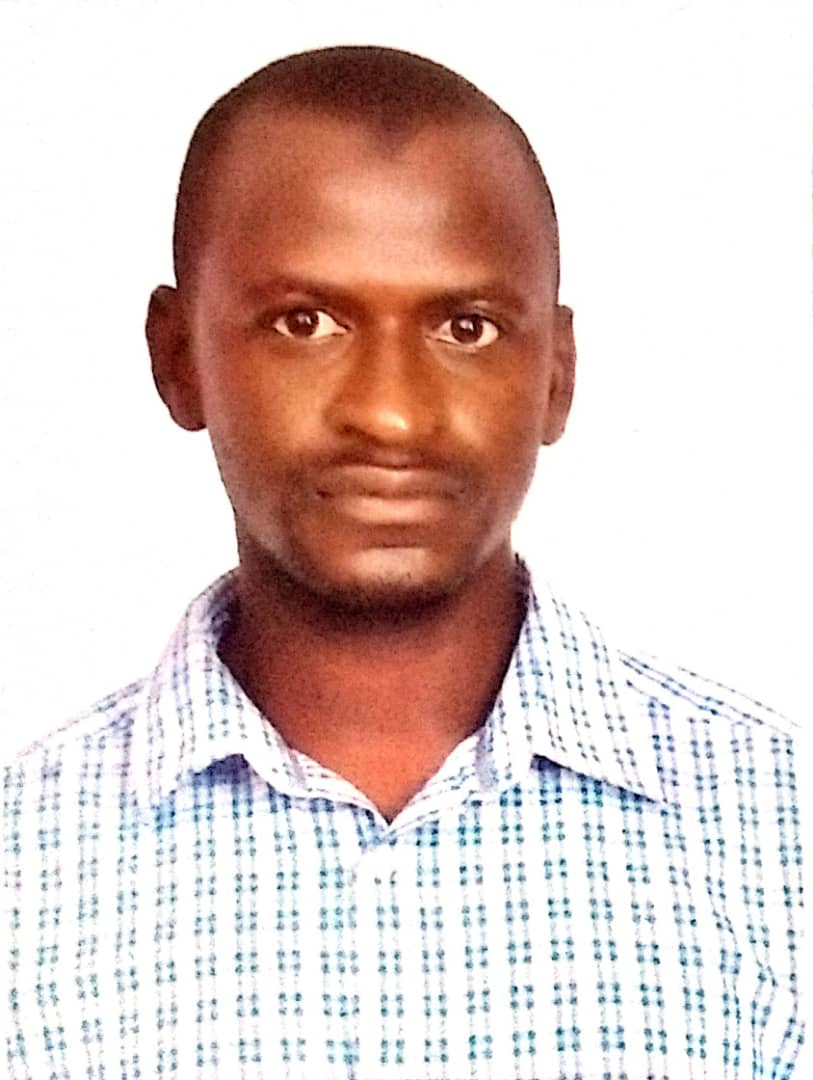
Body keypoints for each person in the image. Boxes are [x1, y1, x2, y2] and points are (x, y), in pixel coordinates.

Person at [3, 45, 803, 1080]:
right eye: (305, 323)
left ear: (557, 375)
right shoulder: (21, 879)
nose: (390, 412)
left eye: (467, 328)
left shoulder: (781, 839)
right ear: (176, 357)